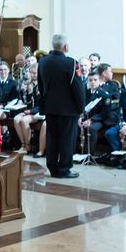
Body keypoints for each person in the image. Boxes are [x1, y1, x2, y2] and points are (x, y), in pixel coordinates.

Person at [37, 34, 85, 178]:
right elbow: (78, 88)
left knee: (52, 138)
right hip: (68, 109)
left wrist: (44, 104)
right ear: (65, 46)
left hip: (50, 108)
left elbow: (40, 85)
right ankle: (64, 169)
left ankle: (52, 167)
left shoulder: (43, 62)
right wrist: (81, 108)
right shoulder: (71, 63)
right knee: (66, 139)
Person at [78, 71, 111, 156]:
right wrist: (79, 117)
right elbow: (81, 107)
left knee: (91, 128)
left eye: (95, 80)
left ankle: (90, 153)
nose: (93, 82)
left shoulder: (104, 95)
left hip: (99, 120)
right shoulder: (85, 93)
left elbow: (105, 113)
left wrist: (91, 120)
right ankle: (76, 151)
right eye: (90, 80)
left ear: (99, 80)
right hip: (86, 117)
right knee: (74, 125)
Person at [12, 65, 41, 153]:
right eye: (31, 73)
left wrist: (31, 111)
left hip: (38, 111)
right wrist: (23, 92)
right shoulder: (27, 84)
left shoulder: (42, 84)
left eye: (35, 73)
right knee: (16, 119)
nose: (33, 75)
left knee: (24, 120)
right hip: (29, 110)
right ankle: (23, 144)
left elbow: (43, 104)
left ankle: (28, 145)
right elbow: (27, 102)